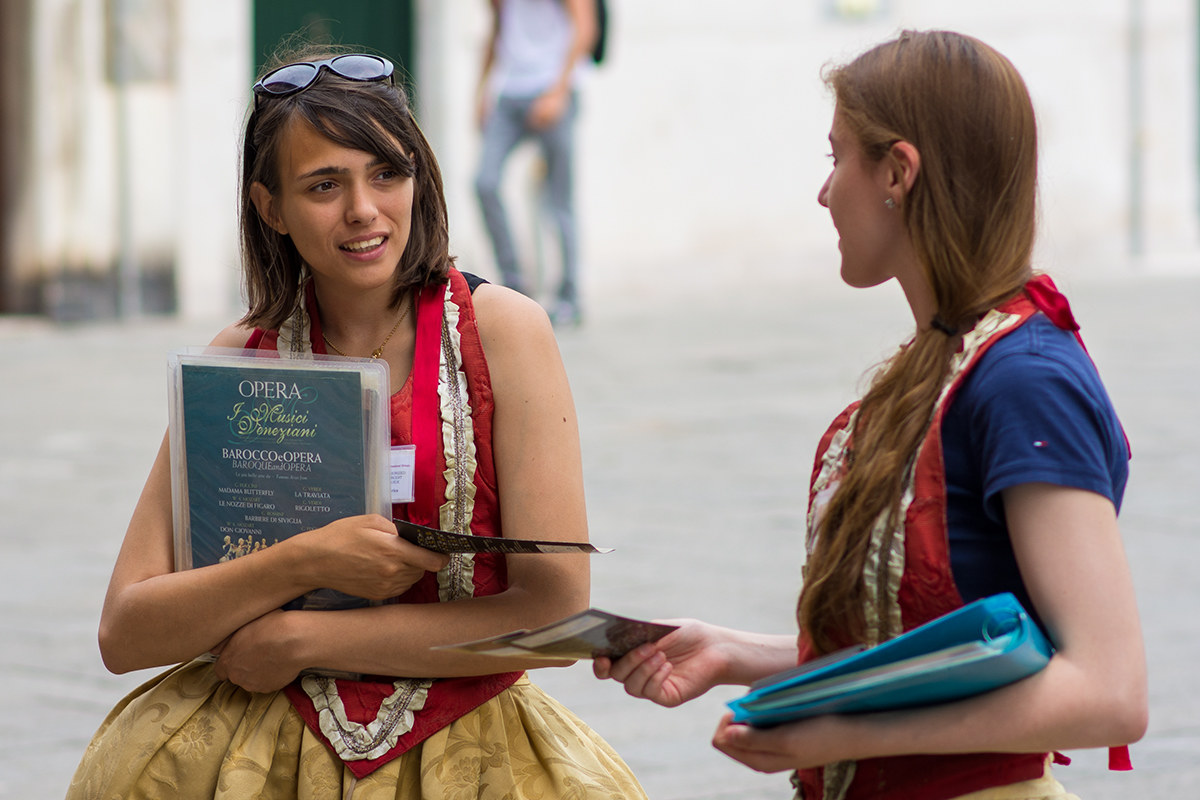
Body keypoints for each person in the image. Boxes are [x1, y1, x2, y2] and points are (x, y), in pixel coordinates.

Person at [67, 44, 647, 800]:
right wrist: (302, 563)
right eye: (323, 185)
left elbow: (556, 612)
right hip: (249, 752)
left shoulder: (503, 331)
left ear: (420, 179)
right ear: (270, 207)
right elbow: (127, 630)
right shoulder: (242, 358)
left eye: (386, 173)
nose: (364, 210)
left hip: (474, 749)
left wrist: (304, 636)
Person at [594, 30, 1147, 800]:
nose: (825, 193)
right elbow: (935, 654)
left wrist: (844, 730)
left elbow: (1109, 693)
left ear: (897, 170)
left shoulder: (1025, 377)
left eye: (835, 157)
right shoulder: (945, 358)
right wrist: (732, 651)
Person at [474, 0, 596, 326]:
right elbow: (497, 30)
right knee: (484, 182)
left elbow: (585, 26)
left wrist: (559, 91)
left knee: (558, 199)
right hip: (510, 93)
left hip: (552, 88)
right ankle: (514, 284)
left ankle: (569, 295)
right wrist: (482, 91)